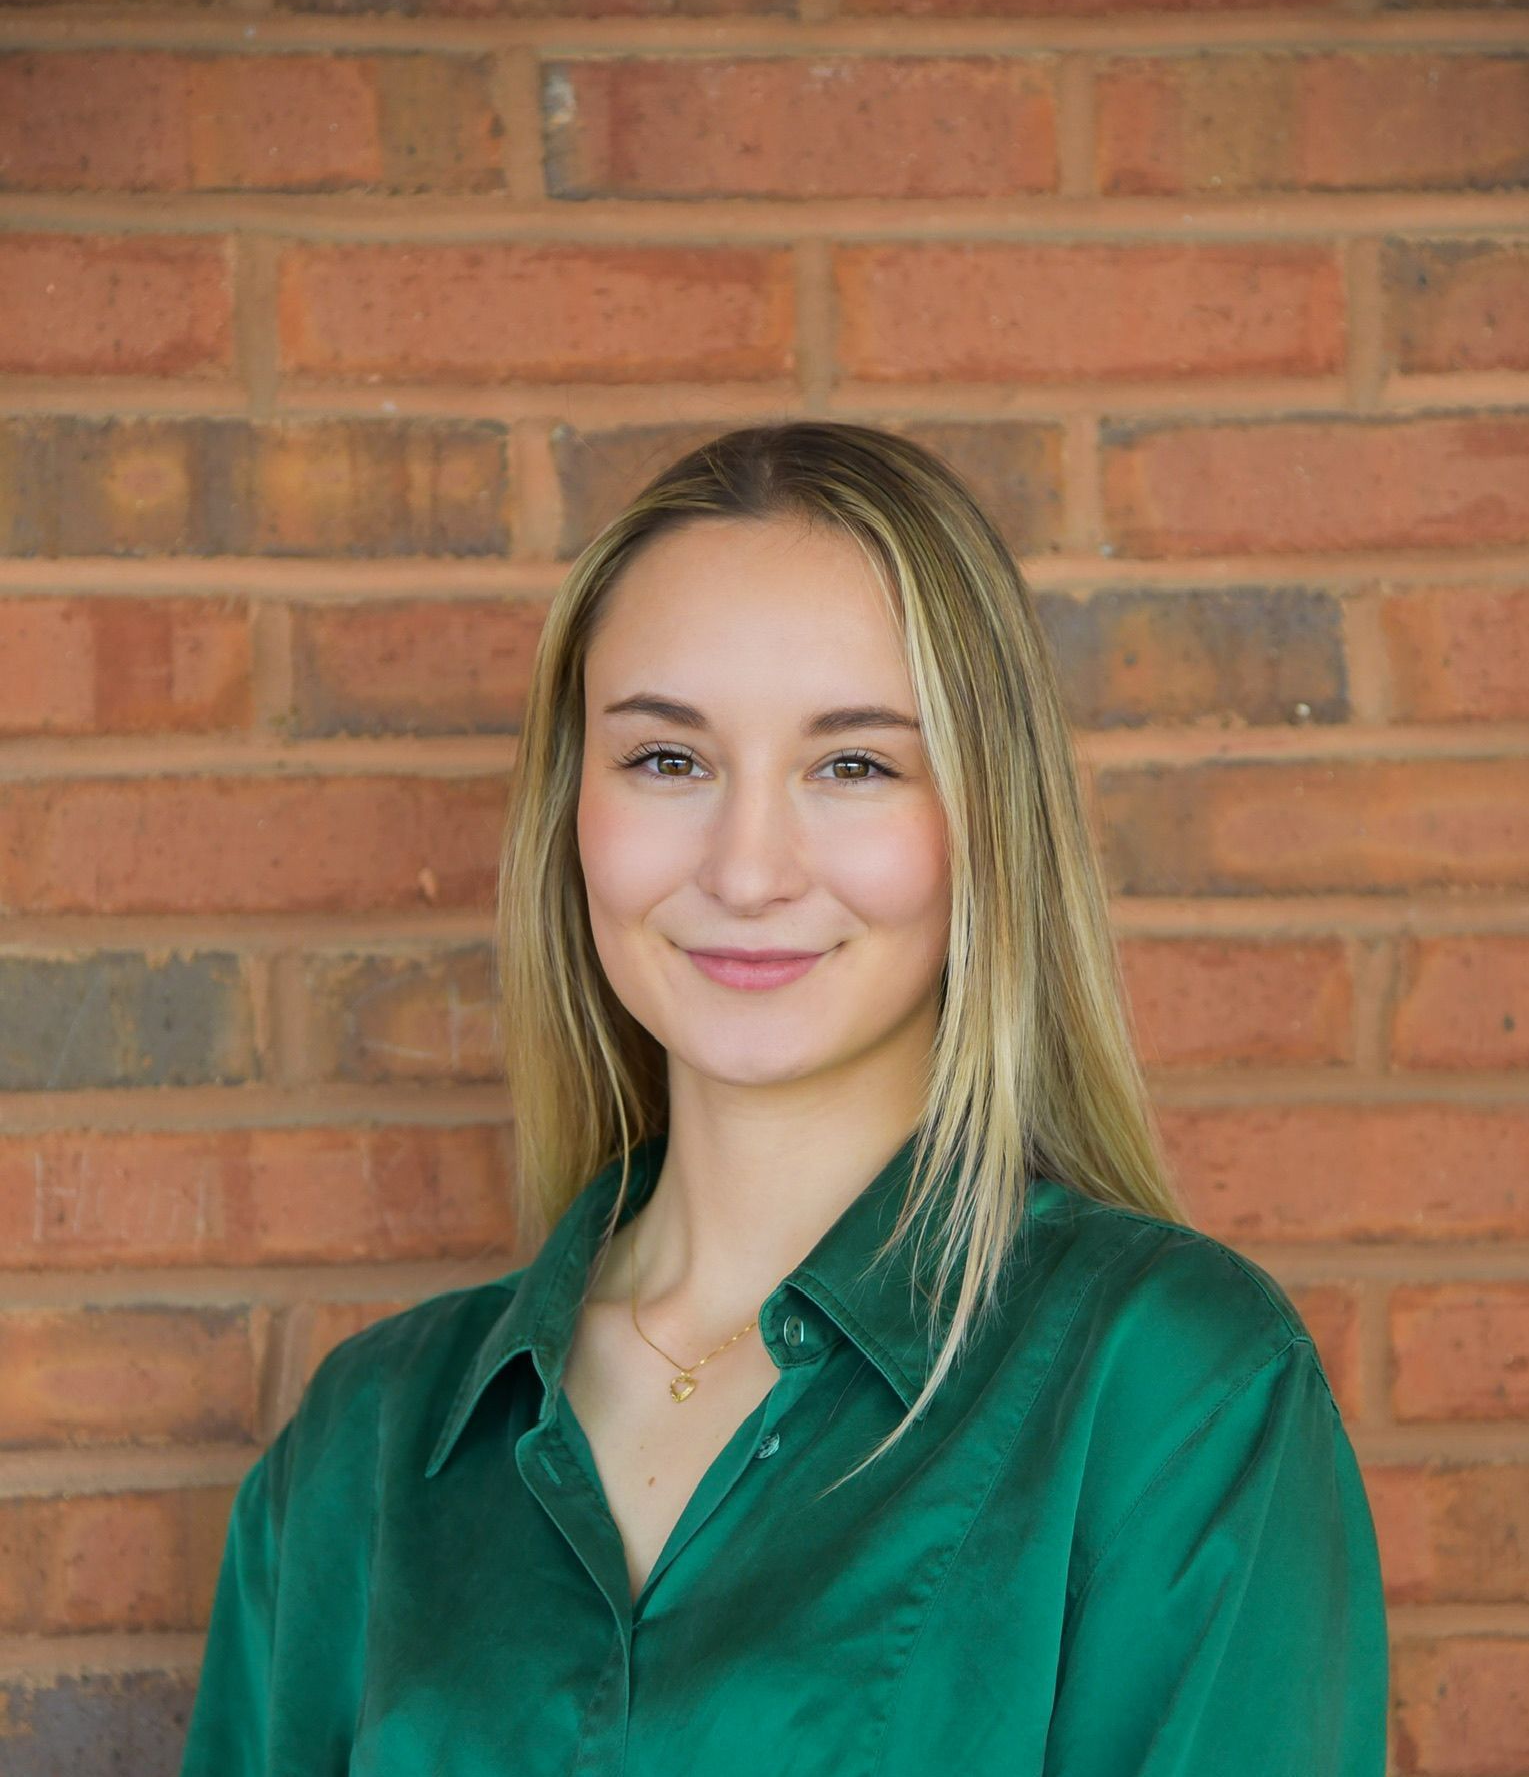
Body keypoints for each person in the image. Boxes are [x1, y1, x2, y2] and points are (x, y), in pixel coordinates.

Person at [180, 421, 1389, 1775]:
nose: (747, 868)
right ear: (569, 808)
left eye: (853, 763)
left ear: (984, 818)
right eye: (667, 760)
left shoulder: (1170, 1386)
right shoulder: (365, 1445)